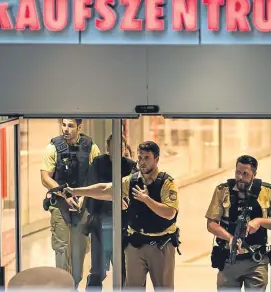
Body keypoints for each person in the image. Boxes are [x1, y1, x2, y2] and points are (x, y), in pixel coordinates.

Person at [64, 141, 181, 289]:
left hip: (160, 245)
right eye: (140, 158)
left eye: (147, 158)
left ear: (156, 159)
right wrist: (75, 191)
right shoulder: (132, 181)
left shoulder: (166, 183)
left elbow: (170, 213)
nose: (142, 162)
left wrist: (147, 200)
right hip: (136, 245)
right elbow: (105, 189)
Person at [40, 119, 101, 289]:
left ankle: (74, 284)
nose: (66, 129)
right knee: (62, 248)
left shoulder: (91, 147)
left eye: (71, 126)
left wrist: (84, 195)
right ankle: (63, 286)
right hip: (60, 205)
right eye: (64, 125)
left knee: (79, 252)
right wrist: (65, 193)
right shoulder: (52, 147)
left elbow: (97, 176)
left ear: (79, 128)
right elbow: (45, 178)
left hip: (83, 206)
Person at [206, 155, 271, 291]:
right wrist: (229, 238)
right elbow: (211, 223)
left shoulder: (267, 192)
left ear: (254, 174)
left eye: (245, 173)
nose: (240, 177)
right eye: (238, 172)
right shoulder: (222, 191)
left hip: (256, 260)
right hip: (229, 259)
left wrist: (260, 221)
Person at [83, 134, 137, 290]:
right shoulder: (98, 163)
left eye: (120, 146)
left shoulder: (130, 166)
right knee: (97, 269)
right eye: (112, 145)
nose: (116, 149)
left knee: (123, 268)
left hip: (123, 224)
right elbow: (93, 188)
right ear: (107, 148)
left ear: (125, 148)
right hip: (100, 222)